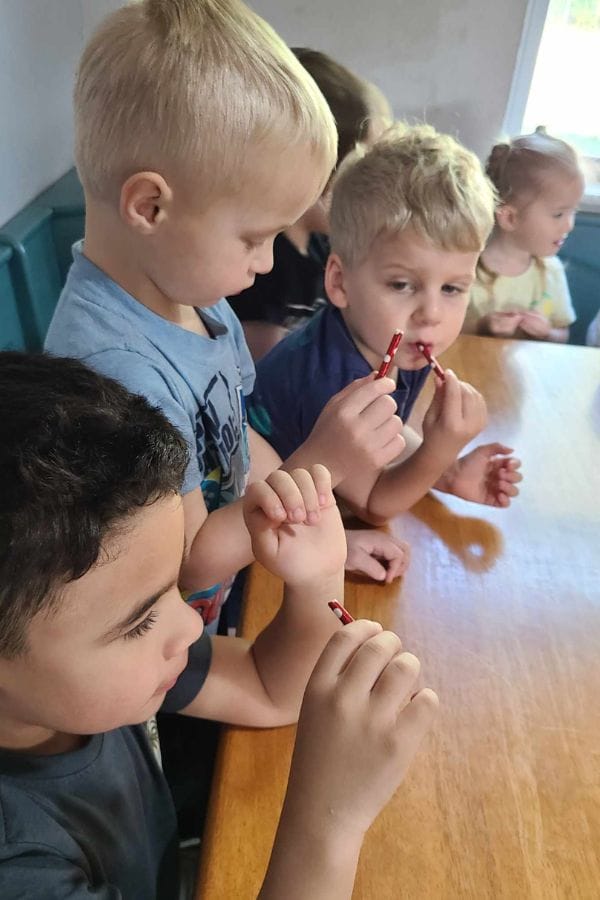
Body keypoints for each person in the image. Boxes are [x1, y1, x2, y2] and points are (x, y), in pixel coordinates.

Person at [0, 351, 438, 899]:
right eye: (138, 623)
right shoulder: (18, 867)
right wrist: (329, 824)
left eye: (172, 590)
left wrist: (317, 578)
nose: (188, 624)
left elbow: (267, 687)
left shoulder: (83, 680)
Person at [44, 0, 408, 631]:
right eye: (252, 237)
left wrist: (329, 524)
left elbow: (237, 440)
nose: (266, 263)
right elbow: (186, 561)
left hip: (223, 595)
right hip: (162, 651)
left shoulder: (198, 299)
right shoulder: (113, 372)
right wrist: (321, 464)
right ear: (151, 206)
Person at [249, 123, 523, 524]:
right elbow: (374, 503)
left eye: (451, 288)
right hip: (259, 529)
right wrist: (438, 452)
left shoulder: (387, 340)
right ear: (340, 282)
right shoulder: (333, 380)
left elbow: (388, 436)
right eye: (401, 285)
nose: (430, 313)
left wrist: (447, 473)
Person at [228, 48, 391, 363]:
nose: (371, 190)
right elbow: (264, 375)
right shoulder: (266, 268)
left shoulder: (324, 248)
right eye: (359, 171)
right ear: (315, 167)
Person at [463, 131, 584, 342]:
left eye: (573, 212)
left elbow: (562, 334)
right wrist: (481, 327)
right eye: (558, 214)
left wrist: (547, 333)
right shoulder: (466, 268)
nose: (570, 225)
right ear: (509, 217)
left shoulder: (551, 271)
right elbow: (445, 335)